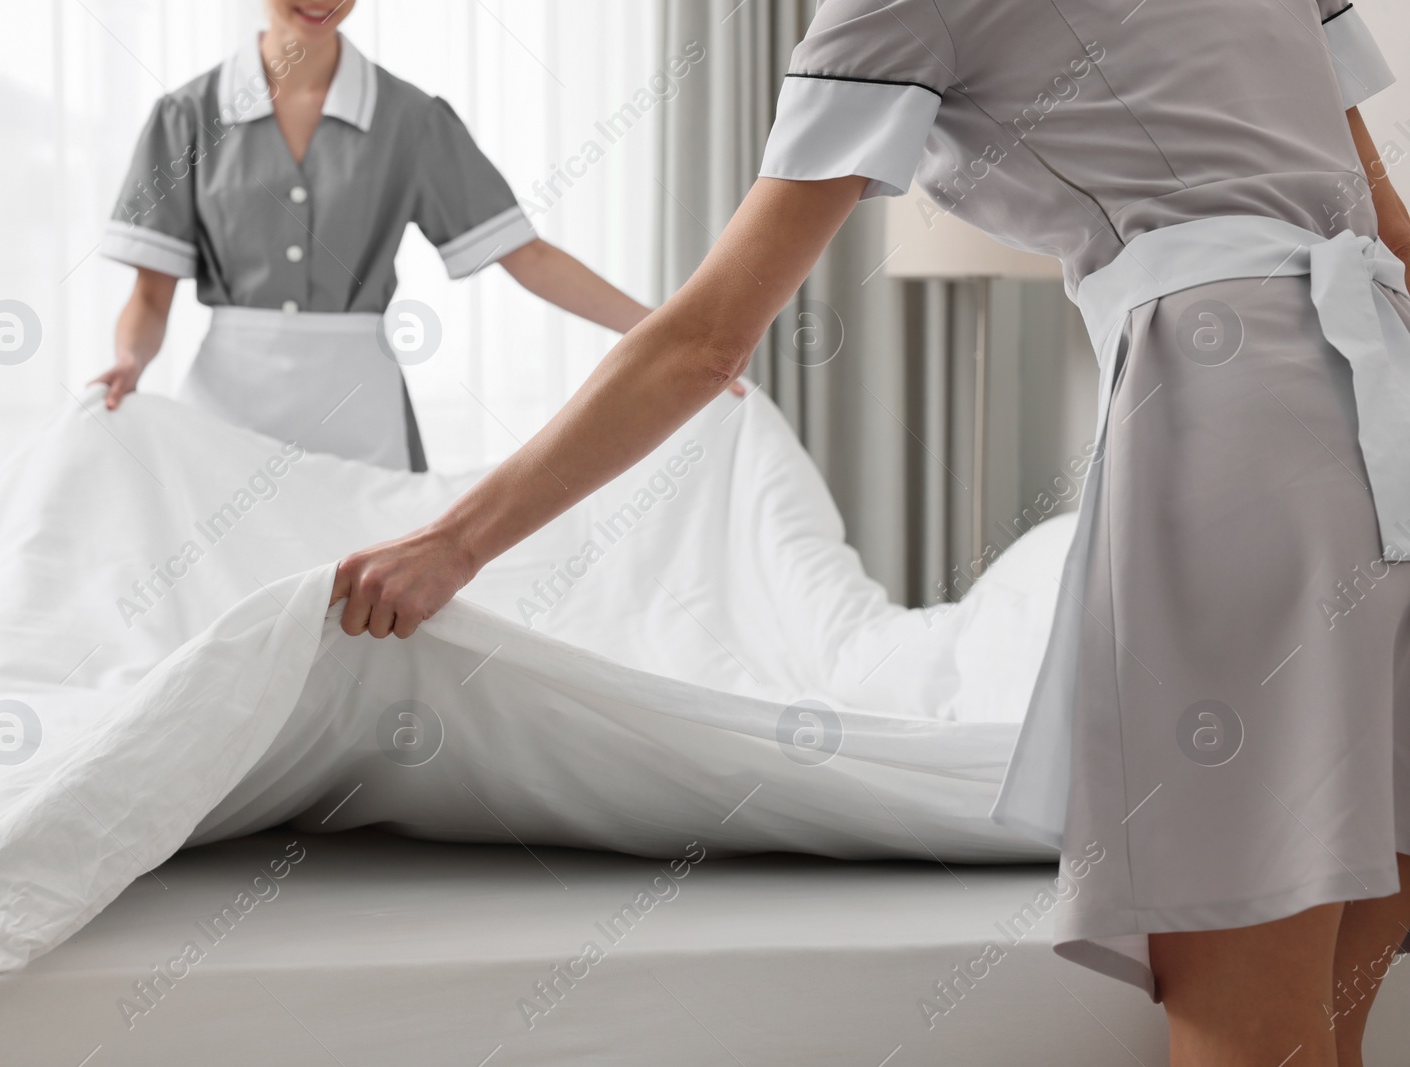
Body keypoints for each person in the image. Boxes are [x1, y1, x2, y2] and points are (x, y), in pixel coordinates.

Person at [328, 0, 1410, 1062]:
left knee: (1247, 1023)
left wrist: (457, 541)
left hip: (1237, 440)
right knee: (1331, 1012)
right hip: (1391, 409)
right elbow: (1390, 231)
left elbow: (705, 339)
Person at [90, 0, 698, 469]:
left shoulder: (411, 119)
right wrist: (128, 361)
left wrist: (674, 337)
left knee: (369, 614)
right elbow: (150, 298)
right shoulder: (186, 117)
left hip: (362, 413)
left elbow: (527, 256)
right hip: (224, 416)